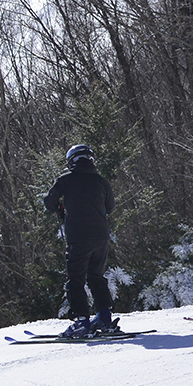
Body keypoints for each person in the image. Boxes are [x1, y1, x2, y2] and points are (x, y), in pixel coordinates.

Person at [43, 144, 118, 337]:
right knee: (96, 277)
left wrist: (61, 210)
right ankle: (104, 317)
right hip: (101, 237)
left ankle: (81, 321)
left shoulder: (66, 180)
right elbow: (110, 207)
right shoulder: (101, 181)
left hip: (78, 237)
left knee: (75, 279)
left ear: (72, 161)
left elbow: (49, 202)